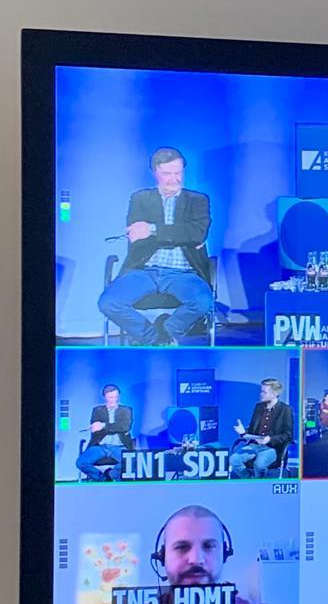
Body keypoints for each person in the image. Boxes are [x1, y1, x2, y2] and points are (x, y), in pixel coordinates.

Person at [98, 147, 214, 346]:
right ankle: (155, 339)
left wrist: (152, 229)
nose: (174, 179)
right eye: (167, 173)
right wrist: (182, 234)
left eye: (178, 173)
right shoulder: (140, 199)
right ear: (155, 173)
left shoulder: (198, 200)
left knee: (202, 302)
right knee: (109, 303)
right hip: (144, 270)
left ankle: (166, 330)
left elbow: (197, 234)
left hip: (184, 272)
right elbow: (138, 236)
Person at [148, 504, 273, 604]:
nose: (196, 560)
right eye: (182, 547)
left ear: (224, 553)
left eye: (208, 546)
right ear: (162, 556)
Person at [230, 379, 293, 478]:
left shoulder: (285, 410)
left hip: (272, 448)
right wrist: (243, 432)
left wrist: (270, 439)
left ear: (274, 394)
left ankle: (259, 483)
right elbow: (252, 430)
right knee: (234, 460)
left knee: (259, 465)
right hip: (254, 445)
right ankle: (249, 481)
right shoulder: (258, 407)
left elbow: (288, 435)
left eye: (264, 392)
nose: (261, 394)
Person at [76, 384, 133, 481]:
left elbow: (125, 427)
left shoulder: (126, 410)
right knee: (81, 463)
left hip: (119, 446)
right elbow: (96, 430)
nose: (114, 400)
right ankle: (102, 478)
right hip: (100, 446)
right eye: (111, 397)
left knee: (130, 461)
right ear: (105, 397)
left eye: (116, 397)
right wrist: (115, 427)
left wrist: (103, 425)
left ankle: (111, 475)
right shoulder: (97, 410)